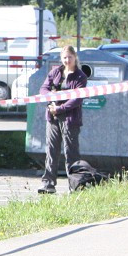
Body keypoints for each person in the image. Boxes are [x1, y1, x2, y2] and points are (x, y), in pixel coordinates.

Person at [38, 45, 88, 194]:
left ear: (75, 58)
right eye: (65, 57)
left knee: (71, 153)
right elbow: (43, 89)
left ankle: (75, 185)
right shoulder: (55, 72)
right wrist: (52, 103)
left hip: (70, 119)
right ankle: (48, 184)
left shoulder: (80, 77)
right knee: (51, 150)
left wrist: (60, 108)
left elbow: (77, 99)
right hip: (52, 117)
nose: (67, 60)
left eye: (70, 57)